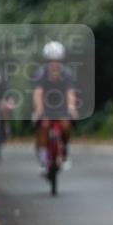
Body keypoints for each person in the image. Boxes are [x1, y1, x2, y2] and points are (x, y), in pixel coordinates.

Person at [32, 41, 78, 171]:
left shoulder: (67, 73)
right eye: (51, 61)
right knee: (44, 125)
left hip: (61, 106)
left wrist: (72, 107)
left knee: (66, 125)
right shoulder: (41, 73)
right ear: (47, 61)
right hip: (45, 106)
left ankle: (65, 152)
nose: (54, 63)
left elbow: (70, 93)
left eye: (57, 60)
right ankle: (42, 158)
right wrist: (39, 109)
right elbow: (38, 93)